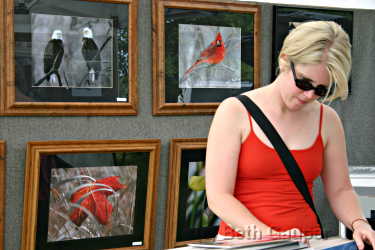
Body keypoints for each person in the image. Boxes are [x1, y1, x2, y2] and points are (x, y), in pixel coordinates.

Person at [205, 21, 375, 249]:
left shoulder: (328, 119)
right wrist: (270, 237)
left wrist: (359, 223)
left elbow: (340, 189)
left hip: (305, 242)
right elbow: (219, 196)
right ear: (284, 59)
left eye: (321, 90)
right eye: (303, 82)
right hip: (245, 242)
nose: (309, 95)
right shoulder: (234, 111)